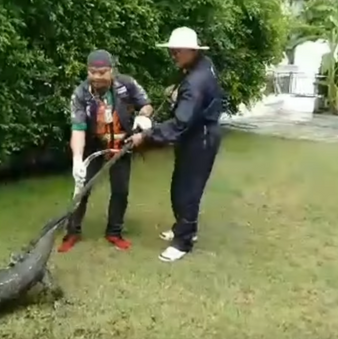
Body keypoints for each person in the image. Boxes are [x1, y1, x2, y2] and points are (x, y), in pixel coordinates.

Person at [126, 27, 225, 262]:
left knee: (187, 191)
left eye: (177, 51)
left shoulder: (194, 81)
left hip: (199, 137)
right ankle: (183, 226)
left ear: (192, 50)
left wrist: (146, 135)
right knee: (180, 186)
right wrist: (176, 93)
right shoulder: (200, 65)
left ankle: (183, 241)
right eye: (172, 51)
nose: (173, 55)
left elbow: (180, 123)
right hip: (196, 134)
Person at [58, 49, 154, 253]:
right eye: (92, 72)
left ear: (111, 71)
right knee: (82, 188)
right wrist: (77, 159)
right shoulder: (81, 94)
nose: (97, 77)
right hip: (95, 145)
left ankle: (114, 232)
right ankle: (72, 232)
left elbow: (146, 105)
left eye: (102, 72)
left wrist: (143, 116)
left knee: (120, 191)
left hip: (122, 145)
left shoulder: (127, 85)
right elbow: (78, 129)